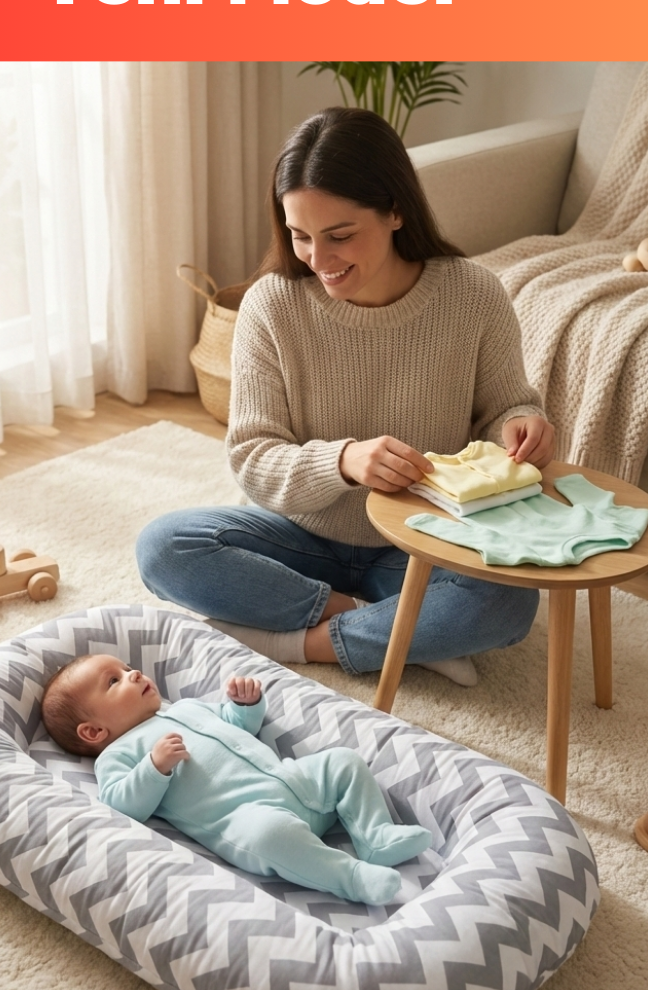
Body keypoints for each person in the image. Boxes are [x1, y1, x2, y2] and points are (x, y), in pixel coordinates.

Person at [137, 107, 555, 684]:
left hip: (421, 539)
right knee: (163, 549)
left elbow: (505, 406)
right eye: (299, 235)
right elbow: (252, 460)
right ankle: (392, 631)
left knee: (510, 604)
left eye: (340, 236)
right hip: (300, 535)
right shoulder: (271, 306)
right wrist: (343, 460)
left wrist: (522, 422)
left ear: (395, 210)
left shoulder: (474, 296)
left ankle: (304, 641)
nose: (319, 259)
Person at [40, 654, 431, 905]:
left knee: (344, 761)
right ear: (93, 732)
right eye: (114, 681)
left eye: (125, 668)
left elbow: (236, 726)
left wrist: (245, 706)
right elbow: (120, 804)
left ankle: (374, 835)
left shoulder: (186, 707)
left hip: (291, 778)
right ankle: (350, 877)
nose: (133, 673)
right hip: (248, 816)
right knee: (271, 836)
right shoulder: (118, 753)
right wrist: (153, 768)